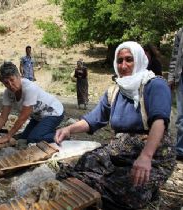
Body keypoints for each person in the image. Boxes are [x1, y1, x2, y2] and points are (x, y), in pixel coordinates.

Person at [55, 41, 176, 209]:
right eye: (120, 61)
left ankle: (148, 191)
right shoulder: (115, 91)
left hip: (153, 153)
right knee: (87, 162)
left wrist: (146, 157)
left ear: (140, 60)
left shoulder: (154, 85)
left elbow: (159, 121)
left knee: (126, 190)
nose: (123, 65)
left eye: (129, 59)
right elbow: (93, 119)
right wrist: (68, 129)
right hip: (121, 150)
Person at [0, 61, 64, 145]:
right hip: (38, 117)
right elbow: (3, 117)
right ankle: (46, 130)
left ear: (18, 76)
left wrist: (7, 137)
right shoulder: (7, 93)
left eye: (12, 80)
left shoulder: (29, 88)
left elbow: (23, 117)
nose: (10, 85)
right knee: (23, 138)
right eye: (6, 83)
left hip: (54, 112)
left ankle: (63, 134)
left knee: (33, 139)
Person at [168, 27, 183, 160]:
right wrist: (171, 77)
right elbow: (174, 57)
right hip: (181, 77)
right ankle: (180, 150)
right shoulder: (181, 32)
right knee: (181, 117)